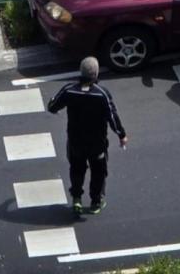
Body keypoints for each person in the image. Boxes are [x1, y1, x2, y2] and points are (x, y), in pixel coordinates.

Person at [47, 57, 128, 215]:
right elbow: (113, 117)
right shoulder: (102, 94)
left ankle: (77, 198)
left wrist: (53, 105)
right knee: (99, 172)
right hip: (97, 143)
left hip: (76, 142)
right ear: (96, 74)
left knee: (77, 169)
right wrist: (121, 135)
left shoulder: (69, 90)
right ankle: (96, 202)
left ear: (81, 72)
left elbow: (53, 106)